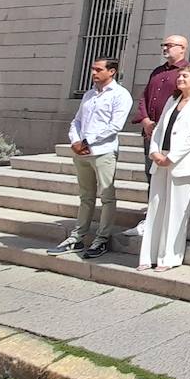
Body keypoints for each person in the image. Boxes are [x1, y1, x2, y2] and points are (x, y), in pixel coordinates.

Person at [49, 58, 133, 260]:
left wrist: (87, 141)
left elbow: (115, 126)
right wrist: (75, 141)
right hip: (82, 153)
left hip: (103, 151)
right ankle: (77, 237)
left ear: (111, 71)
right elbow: (77, 121)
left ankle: (101, 238)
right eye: (92, 69)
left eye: (98, 69)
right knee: (86, 196)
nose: (94, 73)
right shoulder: (89, 94)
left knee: (107, 196)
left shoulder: (121, 95)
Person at [138, 64, 190, 271]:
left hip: (182, 161)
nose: (180, 79)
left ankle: (168, 257)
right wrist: (154, 151)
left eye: (185, 76)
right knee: (156, 207)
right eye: (179, 76)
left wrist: (172, 157)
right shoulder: (172, 100)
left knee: (176, 210)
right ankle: (148, 256)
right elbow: (160, 127)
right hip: (160, 159)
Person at [125, 35, 189, 238]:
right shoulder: (157, 71)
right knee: (150, 173)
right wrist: (144, 120)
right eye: (164, 45)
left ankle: (166, 218)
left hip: (171, 134)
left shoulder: (187, 72)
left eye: (169, 45)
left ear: (182, 48)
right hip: (150, 132)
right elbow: (144, 97)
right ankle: (151, 214)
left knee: (168, 176)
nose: (165, 48)